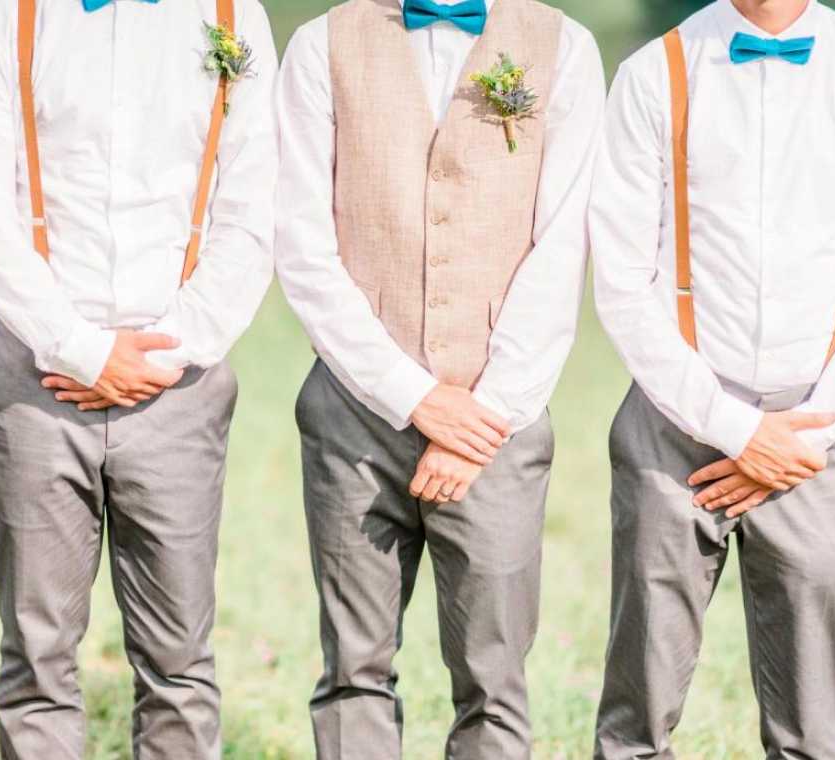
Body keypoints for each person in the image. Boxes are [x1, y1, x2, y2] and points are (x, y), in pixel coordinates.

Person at [590, 1, 835, 757]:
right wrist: (737, 430)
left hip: (818, 434)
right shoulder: (654, 73)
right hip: (673, 423)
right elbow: (620, 280)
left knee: (809, 730)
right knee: (634, 720)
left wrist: (811, 433)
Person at [274, 0, 604, 756]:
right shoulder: (321, 44)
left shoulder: (566, 47)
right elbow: (301, 242)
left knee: (494, 683)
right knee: (353, 671)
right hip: (354, 413)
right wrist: (413, 395)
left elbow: (562, 247)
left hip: (497, 426)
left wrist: (487, 412)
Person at [0, 0, 278, 757]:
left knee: (179, 663)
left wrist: (169, 349)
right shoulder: (6, 17)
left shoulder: (234, 17)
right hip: (36, 373)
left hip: (178, 380)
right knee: (37, 657)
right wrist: (82, 350)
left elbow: (251, 207)